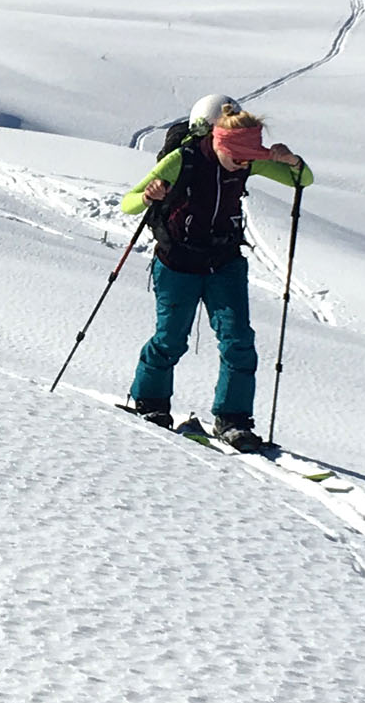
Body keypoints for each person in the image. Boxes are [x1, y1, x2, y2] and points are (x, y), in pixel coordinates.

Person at [118, 96, 313, 447]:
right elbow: (128, 203)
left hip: (224, 262)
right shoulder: (184, 160)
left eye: (248, 160)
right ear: (219, 143)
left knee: (239, 341)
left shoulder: (247, 159)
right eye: (237, 159)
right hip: (177, 262)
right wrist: (148, 196)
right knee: (171, 339)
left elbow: (304, 180)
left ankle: (233, 419)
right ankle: (150, 403)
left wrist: (290, 161)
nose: (242, 166)